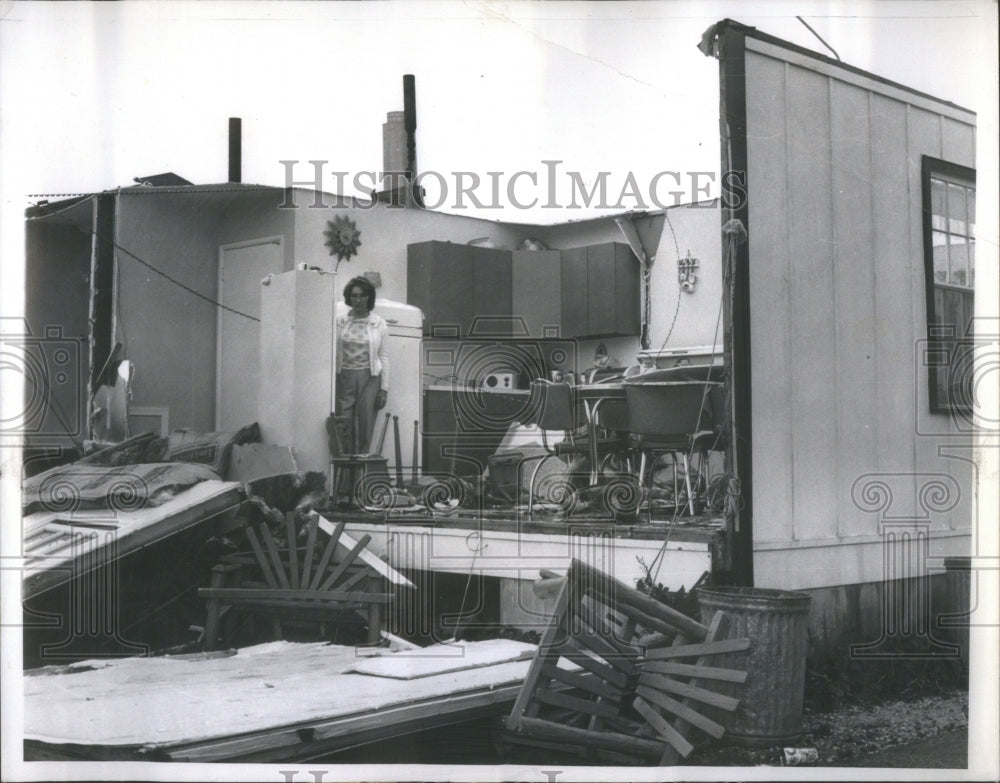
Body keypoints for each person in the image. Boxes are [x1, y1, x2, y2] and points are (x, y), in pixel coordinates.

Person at [334, 276, 389, 454]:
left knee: (365, 425)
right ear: (349, 297)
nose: (358, 300)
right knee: (343, 423)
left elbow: (384, 356)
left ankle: (360, 474)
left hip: (370, 377)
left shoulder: (379, 323)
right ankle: (343, 474)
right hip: (344, 377)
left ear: (369, 298)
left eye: (362, 296)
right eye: (354, 296)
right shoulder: (338, 321)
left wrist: (384, 388)